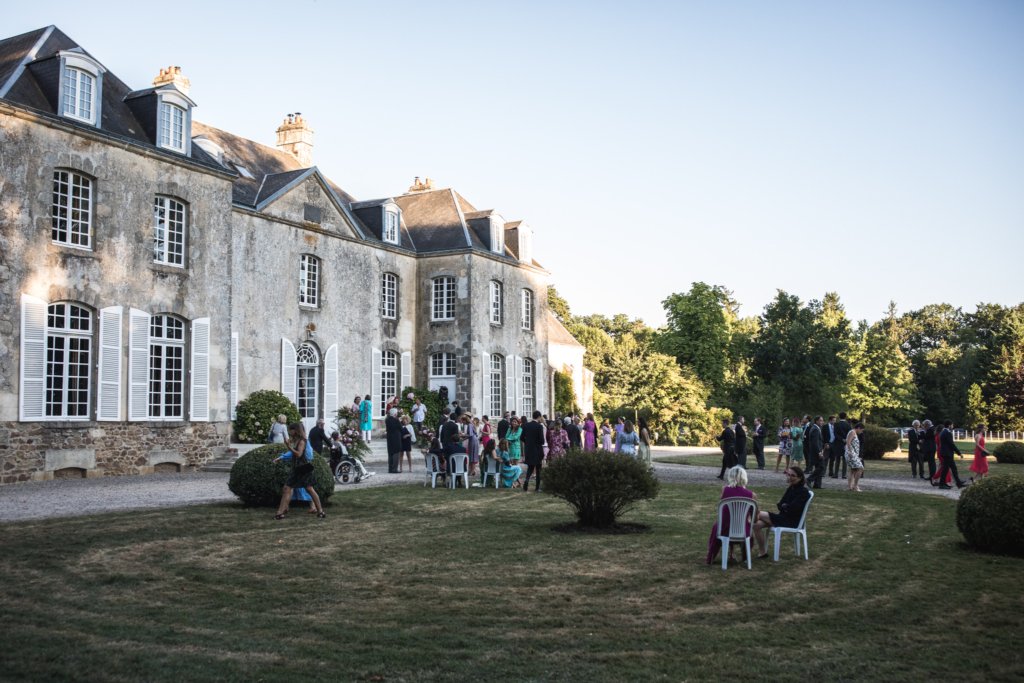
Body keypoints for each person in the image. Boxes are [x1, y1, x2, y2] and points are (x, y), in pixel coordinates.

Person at [753, 465, 810, 558]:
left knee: (757, 513)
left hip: (791, 522)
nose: (789, 477)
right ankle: (762, 552)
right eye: (788, 475)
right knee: (756, 525)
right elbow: (780, 505)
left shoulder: (803, 492)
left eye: (793, 475)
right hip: (783, 517)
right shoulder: (791, 488)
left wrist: (785, 506)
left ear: (800, 478)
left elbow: (792, 509)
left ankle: (742, 529)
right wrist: (785, 506)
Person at [706, 465, 758, 565]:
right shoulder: (752, 495)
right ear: (744, 478)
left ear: (730, 477)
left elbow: (724, 510)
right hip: (743, 530)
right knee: (748, 527)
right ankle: (745, 558)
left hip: (725, 529)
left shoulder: (724, 490)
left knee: (717, 525)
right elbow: (755, 519)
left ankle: (711, 556)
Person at [273, 423, 325, 519]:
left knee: (308, 489)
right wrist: (285, 453)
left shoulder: (302, 441)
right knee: (288, 488)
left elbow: (299, 454)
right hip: (298, 469)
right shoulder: (296, 440)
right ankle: (280, 512)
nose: (289, 432)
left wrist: (289, 446)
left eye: (290, 430)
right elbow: (293, 454)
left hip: (302, 469)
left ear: (295, 430)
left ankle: (320, 511)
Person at [936, 420, 968, 489]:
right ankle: (942, 484)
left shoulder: (943, 432)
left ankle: (958, 483)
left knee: (952, 468)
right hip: (947, 454)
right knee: (946, 469)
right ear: (949, 425)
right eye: (952, 425)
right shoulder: (947, 433)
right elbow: (951, 444)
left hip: (946, 453)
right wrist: (959, 453)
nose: (953, 426)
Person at [521, 411, 547, 492]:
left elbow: (521, 437)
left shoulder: (526, 425)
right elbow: (542, 440)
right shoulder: (539, 426)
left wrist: (528, 442)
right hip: (537, 450)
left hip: (529, 449)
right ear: (538, 417)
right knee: (538, 469)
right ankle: (537, 488)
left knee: (530, 467)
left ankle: (527, 480)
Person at [804, 416, 824, 489]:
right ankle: (809, 479)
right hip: (816, 452)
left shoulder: (816, 428)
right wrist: (819, 452)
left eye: (822, 420)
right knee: (821, 467)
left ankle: (817, 485)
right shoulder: (815, 429)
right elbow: (815, 443)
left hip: (816, 451)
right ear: (816, 421)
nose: (822, 422)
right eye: (820, 420)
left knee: (819, 467)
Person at [845, 422, 866, 491]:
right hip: (851, 453)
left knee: (852, 469)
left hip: (853, 454)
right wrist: (850, 452)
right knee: (860, 468)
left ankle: (850, 487)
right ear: (858, 428)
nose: (861, 432)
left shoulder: (854, 433)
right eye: (861, 430)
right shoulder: (852, 432)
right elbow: (848, 442)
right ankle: (855, 486)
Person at [831, 412, 851, 479]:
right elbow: (850, 434)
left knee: (837, 459)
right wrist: (846, 439)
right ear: (845, 417)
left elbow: (835, 434)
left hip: (838, 443)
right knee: (845, 460)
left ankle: (836, 474)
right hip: (846, 443)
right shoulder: (848, 425)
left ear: (839, 417)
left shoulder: (836, 424)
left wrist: (841, 439)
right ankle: (844, 475)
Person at [385, 407, 403, 474]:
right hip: (396, 438)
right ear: (395, 414)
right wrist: (400, 421)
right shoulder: (396, 420)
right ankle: (394, 469)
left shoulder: (387, 420)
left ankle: (390, 469)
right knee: (396, 453)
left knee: (390, 454)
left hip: (389, 438)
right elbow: (401, 428)